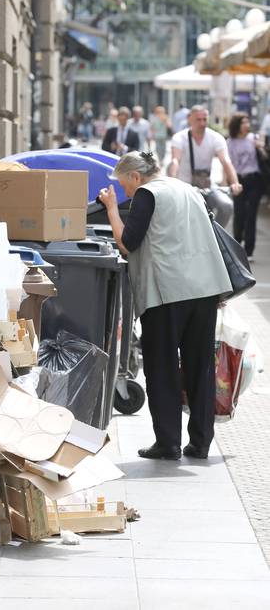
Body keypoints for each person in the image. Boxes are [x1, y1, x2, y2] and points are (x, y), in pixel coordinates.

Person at [98, 151, 232, 460]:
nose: (126, 193)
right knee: (200, 367)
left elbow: (127, 243)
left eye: (124, 185)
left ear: (136, 177)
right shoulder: (188, 189)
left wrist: (111, 209)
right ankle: (200, 443)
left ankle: (168, 442)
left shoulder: (147, 193)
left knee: (162, 368)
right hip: (204, 290)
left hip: (167, 293)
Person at [168, 105, 242, 227]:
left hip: (207, 186)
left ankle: (214, 236)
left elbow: (226, 161)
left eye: (205, 119)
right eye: (198, 119)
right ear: (190, 119)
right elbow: (175, 160)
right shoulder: (180, 138)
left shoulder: (215, 137)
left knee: (226, 206)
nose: (202, 123)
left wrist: (235, 182)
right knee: (179, 218)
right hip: (185, 187)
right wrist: (172, 181)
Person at [227, 112, 264, 262]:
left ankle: (249, 251)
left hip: (254, 180)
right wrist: (227, 182)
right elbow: (227, 164)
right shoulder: (230, 142)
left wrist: (260, 147)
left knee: (251, 215)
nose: (247, 125)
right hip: (238, 180)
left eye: (248, 122)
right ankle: (237, 245)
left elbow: (264, 158)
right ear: (237, 125)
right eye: (243, 123)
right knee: (239, 214)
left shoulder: (253, 139)